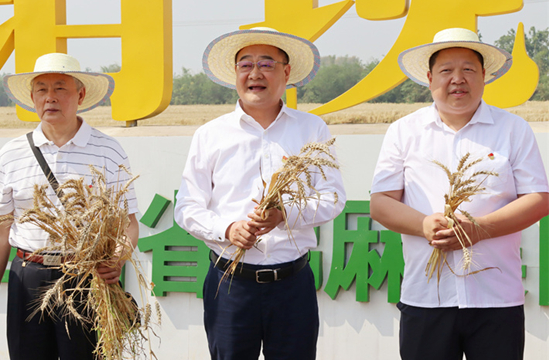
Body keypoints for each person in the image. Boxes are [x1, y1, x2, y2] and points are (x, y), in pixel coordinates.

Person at [370, 28, 549, 360]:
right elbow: (381, 203)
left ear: (484, 76)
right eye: (446, 70)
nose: (458, 79)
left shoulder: (513, 129)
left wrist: (477, 230)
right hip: (426, 298)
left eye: (468, 69)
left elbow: (538, 198)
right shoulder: (404, 131)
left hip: (496, 298)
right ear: (428, 77)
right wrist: (423, 224)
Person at [175, 28, 346, 360]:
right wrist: (227, 230)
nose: (255, 74)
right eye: (245, 65)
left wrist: (285, 215)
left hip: (292, 283)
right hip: (230, 285)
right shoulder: (210, 135)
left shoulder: (311, 129)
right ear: (235, 74)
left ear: (287, 72)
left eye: (267, 64)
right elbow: (187, 207)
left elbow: (333, 198)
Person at [0, 53, 139, 360]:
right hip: (27, 276)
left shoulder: (107, 150)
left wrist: (116, 260)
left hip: (85, 280)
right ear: (32, 98)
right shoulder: (11, 154)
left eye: (60, 88)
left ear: (80, 94)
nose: (50, 98)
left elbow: (127, 223)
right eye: (41, 89)